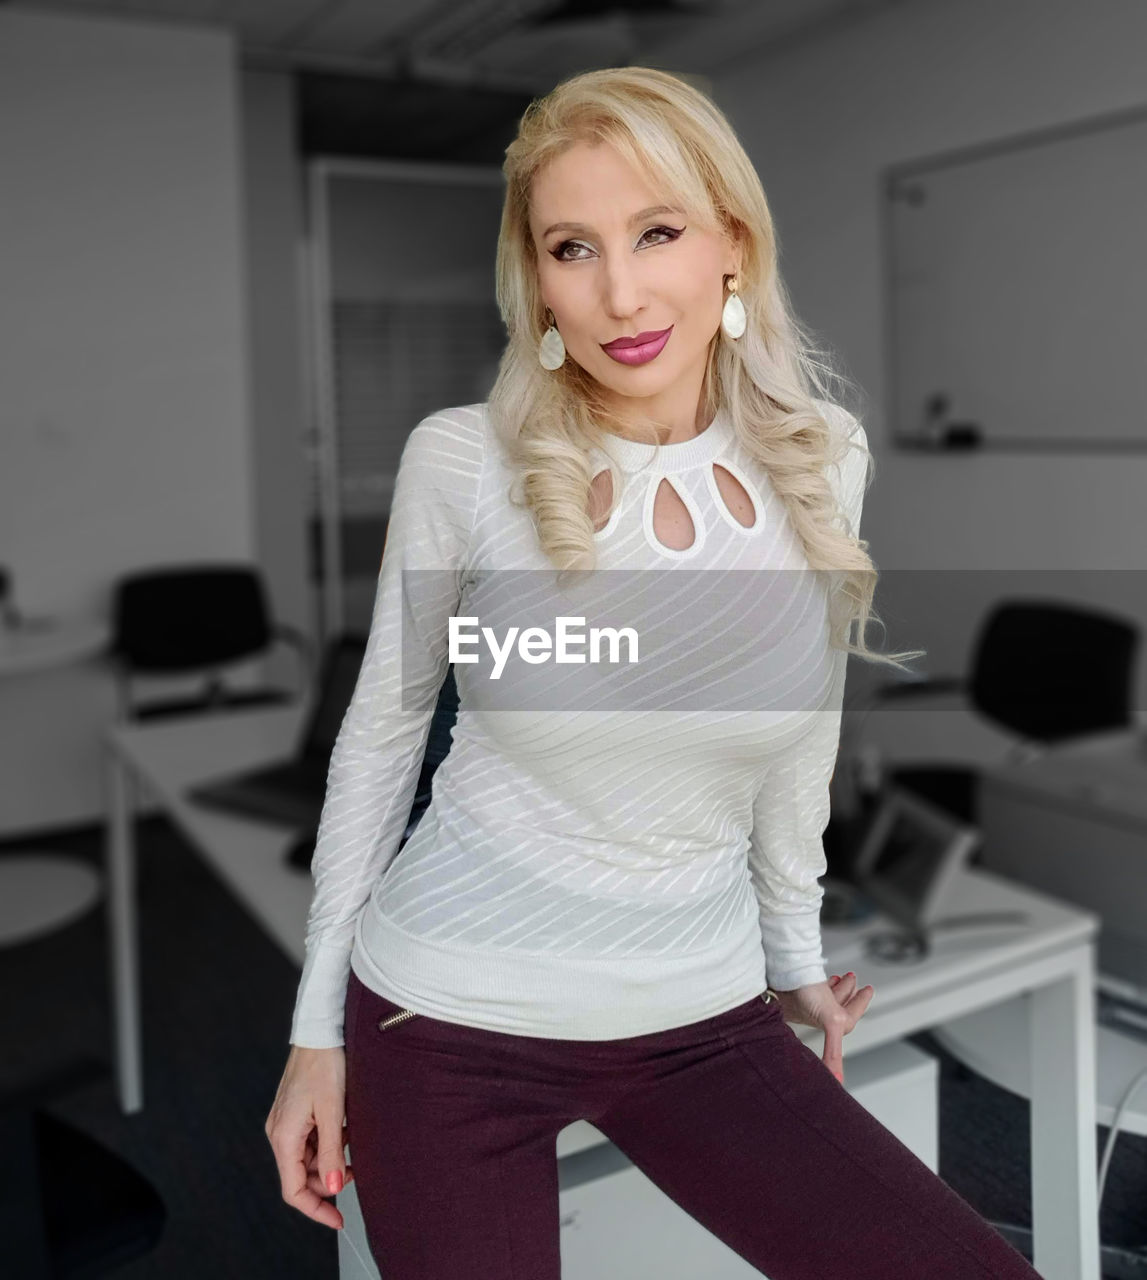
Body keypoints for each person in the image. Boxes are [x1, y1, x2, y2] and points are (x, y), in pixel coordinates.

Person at [265, 66, 1040, 1278]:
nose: (619, 291)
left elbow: (802, 733)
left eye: (657, 231)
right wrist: (318, 1035)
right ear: (537, 281)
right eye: (574, 247)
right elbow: (382, 736)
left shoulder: (819, 457)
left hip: (704, 1011)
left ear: (731, 243)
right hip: (448, 1017)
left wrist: (793, 962)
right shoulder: (462, 463)